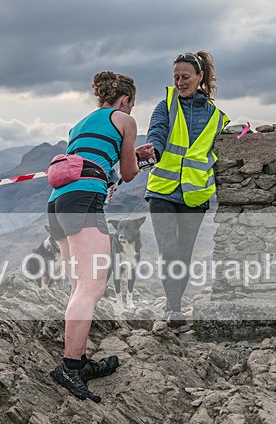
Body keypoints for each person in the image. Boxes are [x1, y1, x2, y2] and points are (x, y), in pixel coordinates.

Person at [47, 71, 144, 402]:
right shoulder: (125, 120)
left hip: (57, 201)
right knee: (92, 287)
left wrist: (124, 157)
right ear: (126, 100)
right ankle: (70, 366)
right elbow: (129, 173)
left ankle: (79, 358)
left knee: (78, 284)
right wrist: (141, 158)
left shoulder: (80, 123)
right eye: (131, 105)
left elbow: (98, 158)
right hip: (85, 200)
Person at [145, 51, 229, 331]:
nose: (180, 82)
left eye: (185, 77)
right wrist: (153, 150)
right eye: (176, 77)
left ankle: (174, 306)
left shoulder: (217, 117)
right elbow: (156, 132)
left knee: (183, 253)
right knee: (169, 250)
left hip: (195, 195)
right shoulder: (165, 105)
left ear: (199, 77)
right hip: (162, 191)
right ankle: (174, 309)